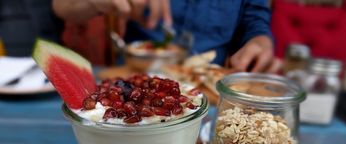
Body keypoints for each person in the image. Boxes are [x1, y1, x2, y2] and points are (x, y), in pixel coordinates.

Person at [53, 0, 282, 73]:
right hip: (135, 82)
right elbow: (62, 6)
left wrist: (260, 40)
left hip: (209, 92)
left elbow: (255, 19)